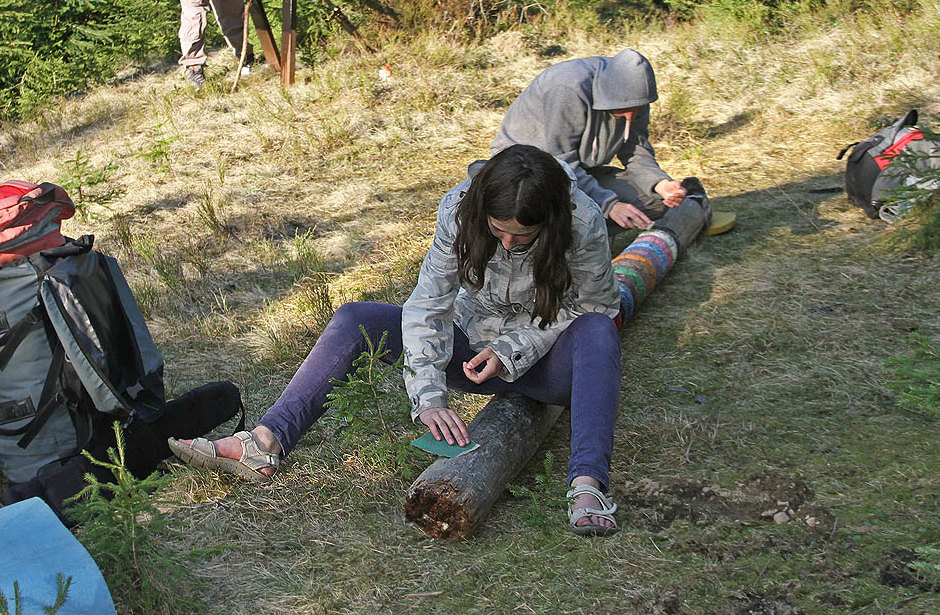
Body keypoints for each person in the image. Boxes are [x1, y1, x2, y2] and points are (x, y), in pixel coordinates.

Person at [169, 145, 626, 535]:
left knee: (599, 331)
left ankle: (587, 486)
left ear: (548, 222)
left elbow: (596, 305)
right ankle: (264, 443)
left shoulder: (581, 220)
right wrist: (428, 396)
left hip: (547, 366)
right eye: (497, 231)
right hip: (468, 351)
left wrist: (512, 349)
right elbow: (429, 305)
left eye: (522, 236)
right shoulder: (460, 208)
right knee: (355, 318)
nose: (506, 244)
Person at [492, 49, 688, 230]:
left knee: (652, 200)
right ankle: (564, 238)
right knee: (537, 211)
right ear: (609, 95)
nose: (630, 117)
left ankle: (588, 231)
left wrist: (660, 184)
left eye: (636, 110)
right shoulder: (568, 88)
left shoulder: (636, 97)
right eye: (624, 111)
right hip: (529, 171)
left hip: (580, 169)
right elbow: (560, 162)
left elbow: (636, 150)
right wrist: (608, 205)